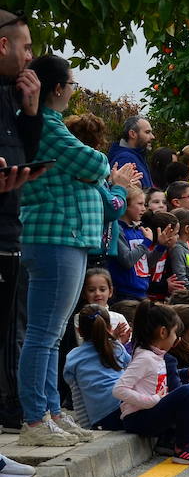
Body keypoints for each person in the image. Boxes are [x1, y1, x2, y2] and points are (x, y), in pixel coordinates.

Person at [15, 56, 113, 446]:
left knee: (52, 335)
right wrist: (101, 169)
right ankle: (35, 419)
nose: (73, 90)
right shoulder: (50, 128)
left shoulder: (51, 126)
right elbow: (94, 163)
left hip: (65, 239)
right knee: (43, 334)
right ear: (58, 88)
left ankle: (51, 412)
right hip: (55, 238)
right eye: (71, 83)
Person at [0, 10, 42, 434]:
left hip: (13, 225)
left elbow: (24, 156)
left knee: (14, 328)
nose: (30, 58)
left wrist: (30, 112)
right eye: (26, 47)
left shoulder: (13, 94)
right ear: (3, 45)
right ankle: (12, 411)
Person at [113, 301, 189, 465]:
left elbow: (158, 377)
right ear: (163, 332)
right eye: (175, 333)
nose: (177, 339)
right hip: (138, 418)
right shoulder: (145, 358)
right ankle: (184, 447)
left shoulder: (156, 355)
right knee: (188, 392)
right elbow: (119, 390)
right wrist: (149, 400)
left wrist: (186, 371)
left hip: (151, 412)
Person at [107, 115, 153, 191]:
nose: (152, 136)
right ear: (132, 134)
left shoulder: (137, 156)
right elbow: (127, 195)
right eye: (147, 132)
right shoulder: (124, 159)